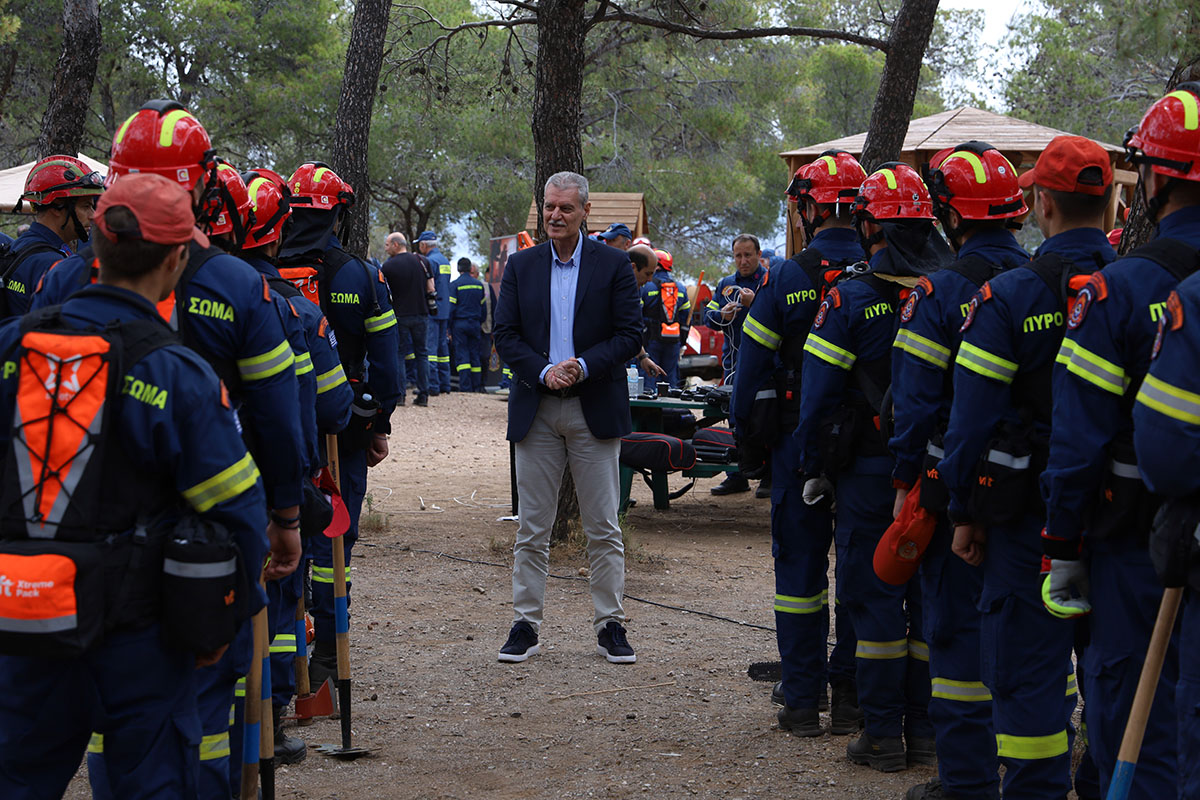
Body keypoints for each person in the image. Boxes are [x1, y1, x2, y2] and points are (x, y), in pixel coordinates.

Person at [0, 172, 272, 799]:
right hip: (140, 638)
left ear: (93, 245)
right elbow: (239, 515)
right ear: (179, 257)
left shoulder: (13, 345)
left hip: (25, 623)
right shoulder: (177, 373)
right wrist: (220, 624)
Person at [1047, 92, 1200, 796]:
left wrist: (1063, 547)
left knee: (1139, 718)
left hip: (1138, 547)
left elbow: (1077, 444)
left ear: (1156, 180)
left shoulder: (1120, 290)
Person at [795, 162, 952, 773]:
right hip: (939, 472)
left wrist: (812, 467)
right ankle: (930, 731)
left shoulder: (850, 298)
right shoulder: (951, 292)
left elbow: (816, 398)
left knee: (876, 598)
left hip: (867, 473)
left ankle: (883, 733)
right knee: (930, 601)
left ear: (868, 225)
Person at [888, 142, 1031, 800]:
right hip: (1039, 492)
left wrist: (904, 481)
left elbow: (915, 406)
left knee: (954, 632)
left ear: (947, 213)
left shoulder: (938, 292)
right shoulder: (1043, 283)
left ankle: (966, 779)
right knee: (1033, 640)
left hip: (957, 486)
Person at [732, 150, 866, 740]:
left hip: (796, 446)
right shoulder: (887, 273)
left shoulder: (786, 277)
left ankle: (803, 702)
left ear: (808, 209)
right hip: (869, 451)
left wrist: (749, 447)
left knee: (800, 576)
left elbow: (751, 370)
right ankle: (857, 700)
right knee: (863, 579)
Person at [492, 171, 642, 664]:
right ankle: (524, 624)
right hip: (536, 406)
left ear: (585, 212)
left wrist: (581, 364)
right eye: (549, 207)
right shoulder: (521, 265)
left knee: (603, 526)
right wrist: (541, 370)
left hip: (592, 405)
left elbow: (629, 336)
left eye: (565, 208)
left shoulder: (615, 265)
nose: (555, 215)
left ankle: (611, 625)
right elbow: (506, 334)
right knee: (533, 527)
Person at [239, 167, 353, 764]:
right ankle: (273, 714)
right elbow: (329, 406)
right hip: (275, 483)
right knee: (280, 604)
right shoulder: (293, 310)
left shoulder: (170, 294)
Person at [276, 162, 401, 695]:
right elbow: (388, 366)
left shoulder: (252, 268)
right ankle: (327, 656)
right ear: (339, 211)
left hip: (276, 433)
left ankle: (286, 661)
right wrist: (377, 422)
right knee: (331, 544)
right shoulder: (359, 273)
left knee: (280, 545)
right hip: (342, 432)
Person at [705, 234, 768, 496]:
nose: (743, 261)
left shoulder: (770, 281)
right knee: (733, 419)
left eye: (748, 255)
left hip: (765, 365)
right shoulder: (726, 284)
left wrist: (755, 304)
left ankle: (769, 476)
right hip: (732, 364)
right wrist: (722, 314)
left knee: (765, 419)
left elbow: (782, 319)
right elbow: (709, 317)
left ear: (758, 254)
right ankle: (737, 475)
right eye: (738, 256)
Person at [3, 155, 103, 317]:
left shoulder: (19, 247)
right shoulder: (54, 267)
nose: (93, 215)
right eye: (86, 206)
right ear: (57, 207)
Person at [381, 231, 435, 406]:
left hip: (399, 316)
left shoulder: (388, 267)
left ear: (396, 244)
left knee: (399, 354)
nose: (386, 248)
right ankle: (424, 394)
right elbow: (431, 287)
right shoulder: (422, 261)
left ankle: (400, 395)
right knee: (422, 353)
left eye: (388, 244)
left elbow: (384, 293)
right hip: (421, 314)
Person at [641, 248, 690, 389]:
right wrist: (682, 342)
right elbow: (686, 316)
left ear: (655, 264)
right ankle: (672, 409)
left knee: (650, 375)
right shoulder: (680, 288)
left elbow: (637, 314)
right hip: (673, 340)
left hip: (651, 340)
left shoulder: (645, 285)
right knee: (670, 377)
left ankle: (650, 409)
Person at [418, 230, 452, 395]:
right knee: (443, 350)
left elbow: (429, 286)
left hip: (433, 310)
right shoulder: (444, 260)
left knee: (430, 350)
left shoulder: (429, 261)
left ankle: (433, 386)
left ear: (424, 245)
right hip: (445, 310)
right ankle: (445, 385)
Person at [627, 244, 666, 380]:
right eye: (647, 274)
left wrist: (643, 357)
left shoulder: (636, 290)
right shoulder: (609, 286)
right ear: (632, 267)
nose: (650, 280)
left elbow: (630, 329)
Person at [450, 256, 487, 391]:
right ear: (470, 268)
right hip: (475, 324)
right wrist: (479, 321)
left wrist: (448, 327)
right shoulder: (479, 285)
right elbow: (484, 309)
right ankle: (476, 386)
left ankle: (465, 387)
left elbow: (451, 308)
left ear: (458, 269)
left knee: (462, 354)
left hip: (460, 324)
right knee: (475, 355)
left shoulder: (455, 285)